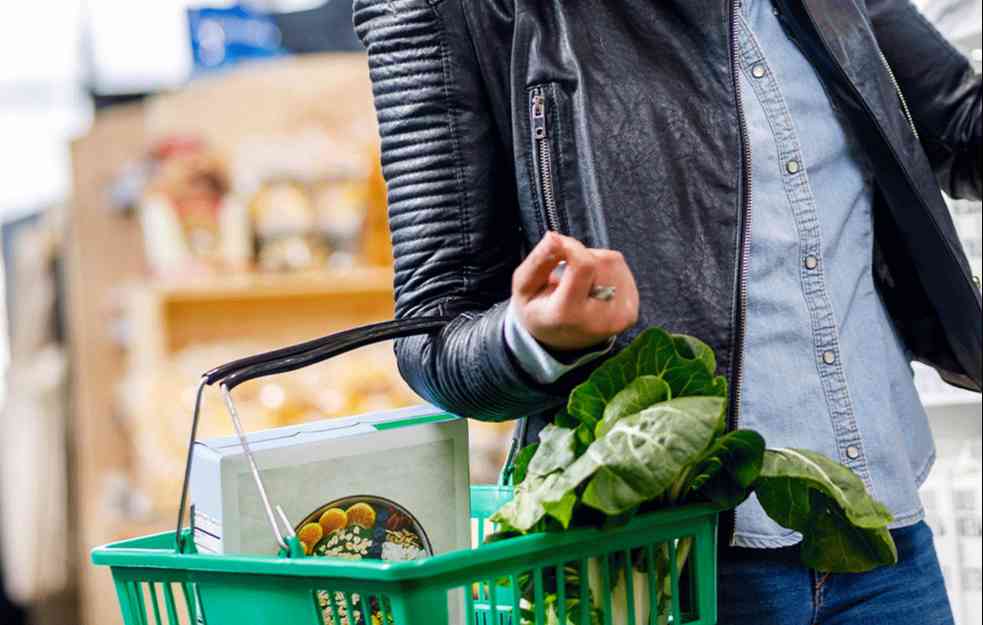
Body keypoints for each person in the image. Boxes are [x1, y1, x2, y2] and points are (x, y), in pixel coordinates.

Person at [354, 1, 982, 623]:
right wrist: (538, 336)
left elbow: (961, 127)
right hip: (662, 566)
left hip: (882, 542)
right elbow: (434, 334)